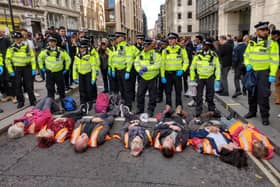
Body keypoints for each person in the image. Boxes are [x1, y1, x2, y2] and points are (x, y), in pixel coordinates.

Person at [244, 21, 279, 126]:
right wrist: (247, 65)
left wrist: (272, 74)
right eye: (262, 30)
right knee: (251, 92)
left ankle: (264, 116)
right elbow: (246, 55)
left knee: (263, 96)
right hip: (252, 72)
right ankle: (252, 111)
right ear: (257, 31)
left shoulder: (271, 43)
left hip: (264, 73)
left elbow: (275, 59)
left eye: (266, 30)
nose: (265, 32)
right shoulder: (251, 42)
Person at [5, 32, 37, 108]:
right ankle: (21, 101)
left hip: (27, 67)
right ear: (14, 39)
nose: (17, 40)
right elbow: (7, 60)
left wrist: (33, 68)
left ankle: (33, 100)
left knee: (29, 85)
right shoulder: (11, 48)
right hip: (17, 68)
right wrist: (10, 70)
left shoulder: (27, 47)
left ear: (22, 39)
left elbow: (32, 57)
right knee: (17, 85)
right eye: (16, 39)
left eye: (19, 38)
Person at [190, 39, 221, 117]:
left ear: (209, 46)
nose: (204, 47)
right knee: (198, 96)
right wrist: (192, 77)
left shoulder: (214, 55)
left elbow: (217, 67)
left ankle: (211, 110)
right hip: (200, 77)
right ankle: (198, 111)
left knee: (210, 95)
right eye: (204, 45)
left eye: (207, 45)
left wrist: (217, 79)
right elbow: (192, 67)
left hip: (210, 77)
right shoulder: (198, 54)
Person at [38, 36, 71, 108]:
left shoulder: (61, 51)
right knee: (50, 90)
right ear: (48, 43)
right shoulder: (45, 51)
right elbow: (40, 59)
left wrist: (66, 68)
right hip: (49, 73)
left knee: (61, 90)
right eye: (50, 42)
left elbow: (68, 59)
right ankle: (52, 106)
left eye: (53, 42)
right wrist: (42, 68)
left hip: (59, 73)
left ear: (56, 43)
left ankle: (64, 105)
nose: (51, 43)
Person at [161, 32, 189, 110]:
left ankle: (178, 108)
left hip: (177, 74)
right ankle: (168, 108)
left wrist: (182, 70)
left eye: (172, 39)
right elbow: (162, 64)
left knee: (178, 92)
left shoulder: (181, 50)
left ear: (176, 40)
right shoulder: (165, 51)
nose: (170, 40)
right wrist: (162, 76)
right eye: (169, 39)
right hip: (168, 74)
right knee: (168, 92)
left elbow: (186, 61)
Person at [134, 39, 161, 117]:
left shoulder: (156, 54)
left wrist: (147, 68)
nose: (144, 47)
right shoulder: (140, 54)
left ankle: (150, 110)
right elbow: (136, 63)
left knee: (152, 96)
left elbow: (158, 65)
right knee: (140, 94)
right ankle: (140, 109)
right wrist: (139, 70)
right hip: (142, 78)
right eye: (144, 46)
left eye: (146, 46)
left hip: (152, 78)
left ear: (151, 46)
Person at [110, 32, 133, 109]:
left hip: (124, 70)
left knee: (127, 89)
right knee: (121, 89)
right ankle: (123, 103)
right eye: (116, 37)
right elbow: (114, 59)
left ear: (122, 37)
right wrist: (113, 69)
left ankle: (128, 105)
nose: (116, 39)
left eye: (117, 37)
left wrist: (128, 71)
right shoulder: (116, 47)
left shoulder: (126, 46)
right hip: (118, 70)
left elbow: (129, 59)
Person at [72, 39, 97, 110]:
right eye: (80, 48)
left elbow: (93, 68)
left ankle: (89, 103)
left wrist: (93, 78)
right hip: (81, 74)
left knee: (89, 90)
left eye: (83, 48)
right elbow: (74, 67)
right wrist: (74, 77)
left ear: (86, 48)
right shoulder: (77, 56)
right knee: (81, 90)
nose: (81, 49)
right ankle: (83, 103)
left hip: (88, 74)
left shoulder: (90, 57)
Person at [130, 34, 144, 101]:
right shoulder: (132, 47)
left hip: (141, 67)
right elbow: (131, 56)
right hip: (133, 67)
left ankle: (139, 96)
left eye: (141, 39)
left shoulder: (144, 47)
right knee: (132, 83)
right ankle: (132, 96)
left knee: (140, 83)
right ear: (137, 40)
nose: (140, 41)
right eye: (139, 39)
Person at [57, 26, 72, 91]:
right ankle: (61, 87)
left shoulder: (67, 38)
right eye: (62, 31)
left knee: (67, 72)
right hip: (61, 59)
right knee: (61, 74)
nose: (63, 32)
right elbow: (56, 48)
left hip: (68, 57)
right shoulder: (57, 39)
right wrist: (61, 44)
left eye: (64, 31)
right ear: (59, 32)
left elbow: (70, 47)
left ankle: (67, 85)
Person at [271, 30, 280, 104]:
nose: (271, 36)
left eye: (272, 35)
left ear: (276, 35)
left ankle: (278, 99)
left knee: (277, 84)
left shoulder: (275, 43)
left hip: (278, 66)